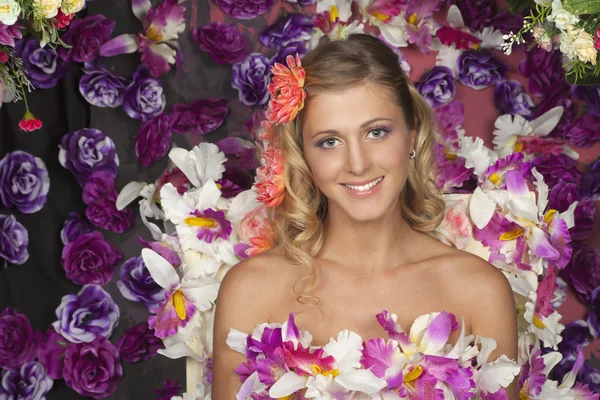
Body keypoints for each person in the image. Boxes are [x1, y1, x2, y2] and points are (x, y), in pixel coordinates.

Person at [212, 34, 519, 398]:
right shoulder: (251, 291)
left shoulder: (479, 291)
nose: (357, 164)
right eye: (329, 141)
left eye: (376, 132)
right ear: (304, 156)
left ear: (413, 136)